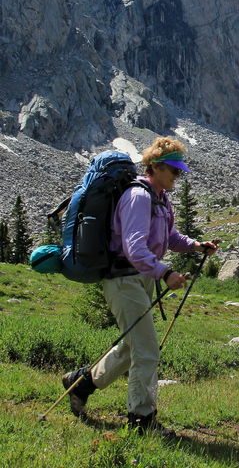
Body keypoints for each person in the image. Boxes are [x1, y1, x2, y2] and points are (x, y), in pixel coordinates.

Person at [62, 137, 218, 434]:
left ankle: (80, 384)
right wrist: (165, 273)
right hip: (123, 279)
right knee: (146, 350)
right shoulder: (139, 196)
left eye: (180, 171)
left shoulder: (160, 198)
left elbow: (170, 236)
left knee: (129, 348)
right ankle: (141, 420)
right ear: (155, 166)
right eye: (174, 170)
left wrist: (197, 246)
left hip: (139, 279)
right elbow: (134, 248)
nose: (178, 176)